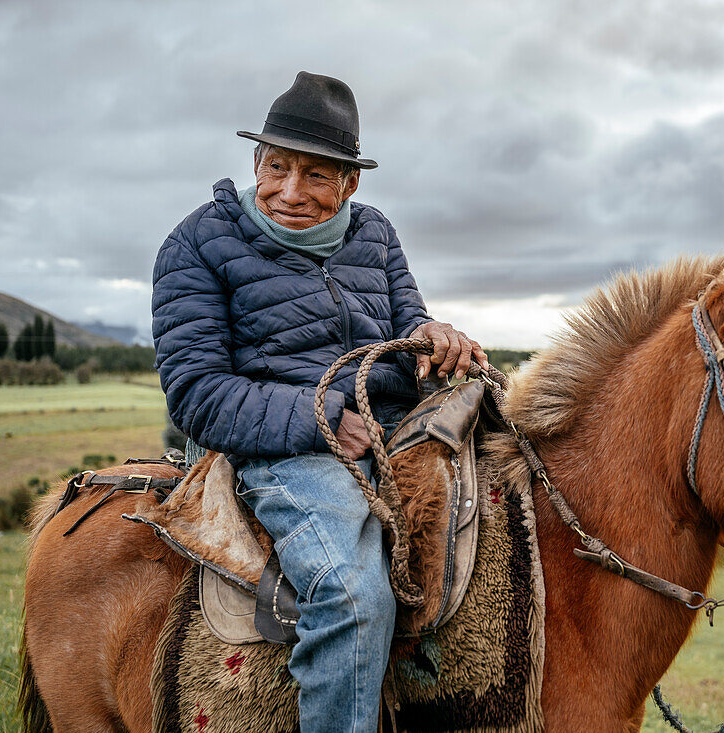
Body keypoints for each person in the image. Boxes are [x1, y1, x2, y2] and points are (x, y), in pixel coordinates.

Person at [151, 72, 487, 732]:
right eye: (277, 167)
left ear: (350, 184)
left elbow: (407, 325)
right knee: (352, 594)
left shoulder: (376, 235)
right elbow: (197, 394)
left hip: (393, 426)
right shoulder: (195, 245)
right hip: (277, 445)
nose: (290, 192)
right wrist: (322, 416)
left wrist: (432, 339)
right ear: (256, 162)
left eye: (317, 175)